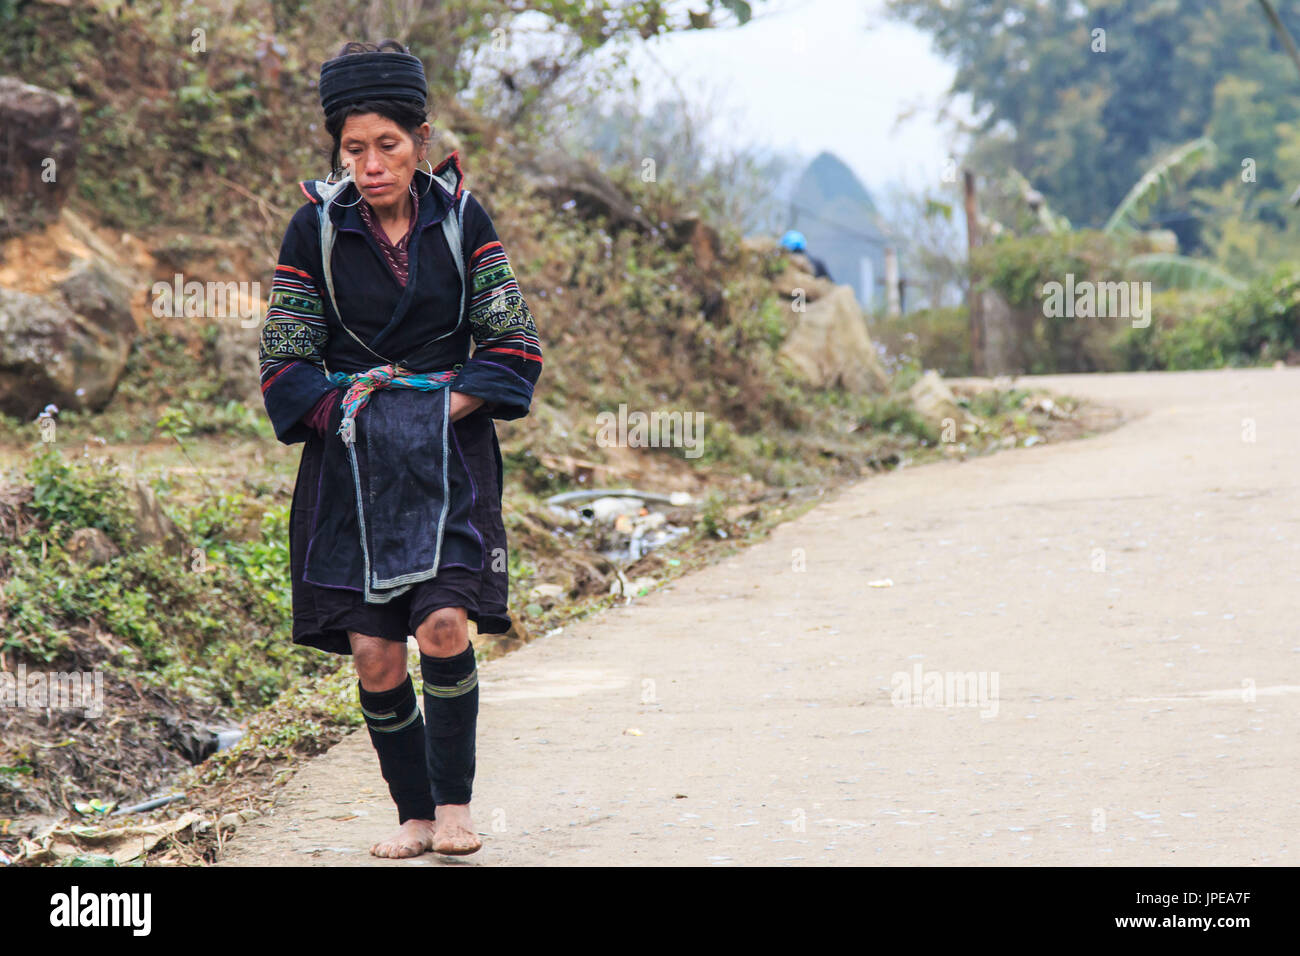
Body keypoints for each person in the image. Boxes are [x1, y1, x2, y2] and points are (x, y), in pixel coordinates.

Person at [257, 39, 543, 859]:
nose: (372, 163)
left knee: (445, 624)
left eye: (388, 145)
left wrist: (439, 407)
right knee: (376, 653)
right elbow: (286, 361)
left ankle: (454, 806)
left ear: (420, 139)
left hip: (449, 461)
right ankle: (412, 815)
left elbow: (513, 343)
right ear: (336, 151)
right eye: (355, 148)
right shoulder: (313, 229)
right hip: (347, 468)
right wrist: (354, 413)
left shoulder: (461, 221)